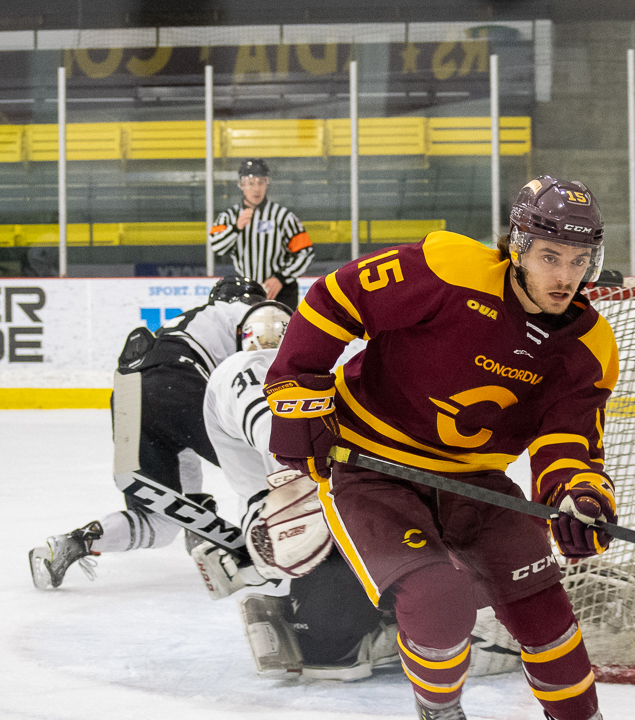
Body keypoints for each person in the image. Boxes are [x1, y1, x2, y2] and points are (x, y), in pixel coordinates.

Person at [263, 175, 617, 720]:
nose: (565, 276)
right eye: (551, 256)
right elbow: (335, 297)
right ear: (519, 246)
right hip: (370, 469)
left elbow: (567, 437)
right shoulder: (448, 269)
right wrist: (296, 386)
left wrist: (579, 494)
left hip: (475, 483)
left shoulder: (588, 346)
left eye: (578, 260)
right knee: (438, 597)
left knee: (545, 610)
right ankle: (440, 713)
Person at [197, 301, 523, 682]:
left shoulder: (252, 375)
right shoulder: (244, 368)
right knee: (337, 634)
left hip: (297, 522)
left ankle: (363, 627)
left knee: (330, 640)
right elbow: (269, 411)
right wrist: (304, 475)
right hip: (315, 512)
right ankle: (420, 624)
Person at [28, 276, 267, 591]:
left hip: (129, 395)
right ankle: (284, 546)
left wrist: (196, 511)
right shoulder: (244, 315)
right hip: (179, 384)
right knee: (267, 469)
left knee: (161, 518)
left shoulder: (187, 321)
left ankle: (69, 545)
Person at [210, 158, 314, 310]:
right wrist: (236, 228)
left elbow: (305, 252)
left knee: (284, 333)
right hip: (244, 292)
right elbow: (216, 247)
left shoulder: (283, 216)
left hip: (281, 292)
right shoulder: (229, 217)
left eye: (261, 182)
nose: (256, 189)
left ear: (267, 183)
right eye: (251, 183)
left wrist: (281, 278)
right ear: (241, 185)